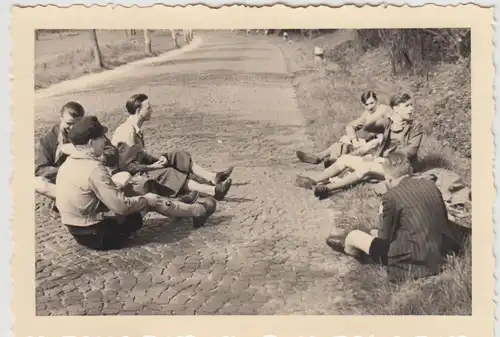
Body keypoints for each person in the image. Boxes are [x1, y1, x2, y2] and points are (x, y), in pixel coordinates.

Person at [55, 116, 216, 251]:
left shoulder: (67, 164)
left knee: (131, 190)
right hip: (101, 236)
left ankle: (178, 205)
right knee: (149, 198)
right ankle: (198, 210)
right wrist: (146, 199)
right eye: (101, 139)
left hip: (78, 232)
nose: (104, 143)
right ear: (91, 142)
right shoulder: (94, 169)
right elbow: (122, 207)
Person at [324, 152, 467, 284]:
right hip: (438, 255)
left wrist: (381, 214)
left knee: (355, 236)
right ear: (409, 172)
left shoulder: (391, 196)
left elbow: (384, 238)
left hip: (408, 264)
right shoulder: (431, 184)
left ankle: (352, 251)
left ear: (388, 178)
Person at [296, 93, 423, 199]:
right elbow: (368, 127)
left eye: (411, 105)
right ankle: (314, 180)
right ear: (395, 108)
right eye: (407, 106)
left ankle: (327, 188)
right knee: (345, 159)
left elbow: (410, 151)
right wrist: (384, 116)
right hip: (380, 163)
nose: (411, 109)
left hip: (399, 168)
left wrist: (387, 159)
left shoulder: (415, 126)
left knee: (366, 168)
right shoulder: (388, 122)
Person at [111, 93, 233, 201]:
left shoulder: (135, 128)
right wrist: (152, 166)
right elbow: (126, 166)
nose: (151, 110)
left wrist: (159, 159)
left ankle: (212, 177)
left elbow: (140, 154)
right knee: (167, 172)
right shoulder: (127, 132)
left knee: (177, 155)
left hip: (138, 166)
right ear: (138, 111)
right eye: (148, 108)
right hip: (128, 176)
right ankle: (213, 191)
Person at [34, 101, 119, 206]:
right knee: (38, 183)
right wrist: (70, 171)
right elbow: (40, 169)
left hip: (92, 177)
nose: (72, 128)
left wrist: (100, 157)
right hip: (64, 182)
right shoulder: (48, 140)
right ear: (61, 119)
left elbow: (113, 152)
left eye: (77, 124)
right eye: (68, 123)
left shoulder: (88, 131)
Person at [295, 91, 392, 167]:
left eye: (372, 103)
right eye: (366, 105)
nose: (370, 107)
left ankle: (333, 160)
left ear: (377, 101)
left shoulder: (384, 109)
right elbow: (350, 126)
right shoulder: (366, 114)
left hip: (380, 143)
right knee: (345, 138)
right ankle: (322, 157)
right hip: (370, 142)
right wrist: (354, 139)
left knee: (348, 142)